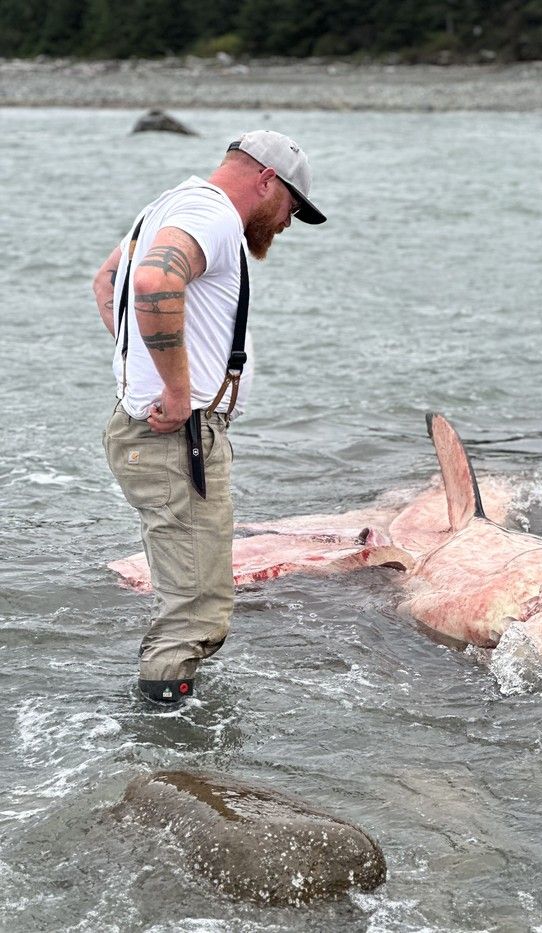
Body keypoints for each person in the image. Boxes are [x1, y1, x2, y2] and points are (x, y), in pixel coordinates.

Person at [93, 130, 326, 704]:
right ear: (267, 181)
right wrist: (175, 390)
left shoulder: (168, 205)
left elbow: (108, 283)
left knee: (189, 596)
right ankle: (169, 753)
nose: (289, 221)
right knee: (194, 613)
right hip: (176, 435)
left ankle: (165, 739)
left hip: (154, 432)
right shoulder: (212, 214)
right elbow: (152, 282)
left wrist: (148, 370)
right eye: (291, 206)